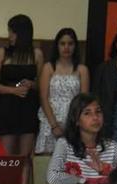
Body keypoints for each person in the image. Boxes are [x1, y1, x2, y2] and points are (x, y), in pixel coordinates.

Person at [0, 14, 42, 161]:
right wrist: (13, 90)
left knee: (25, 158)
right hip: (8, 106)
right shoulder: (3, 52)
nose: (10, 36)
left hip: (28, 107)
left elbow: (42, 84)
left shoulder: (36, 54)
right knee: (6, 156)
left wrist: (31, 84)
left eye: (12, 32)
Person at [46, 93, 117, 184]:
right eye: (87, 113)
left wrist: (106, 171)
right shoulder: (64, 144)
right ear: (76, 120)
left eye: (98, 112)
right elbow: (52, 177)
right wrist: (84, 181)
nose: (95, 117)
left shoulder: (112, 146)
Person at [35, 27, 88, 155]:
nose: (66, 47)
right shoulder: (49, 67)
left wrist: (73, 124)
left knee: (72, 160)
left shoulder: (82, 69)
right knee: (46, 161)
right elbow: (43, 98)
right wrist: (54, 125)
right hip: (50, 120)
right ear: (57, 46)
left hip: (74, 120)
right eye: (62, 44)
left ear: (75, 46)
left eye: (70, 44)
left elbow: (84, 101)